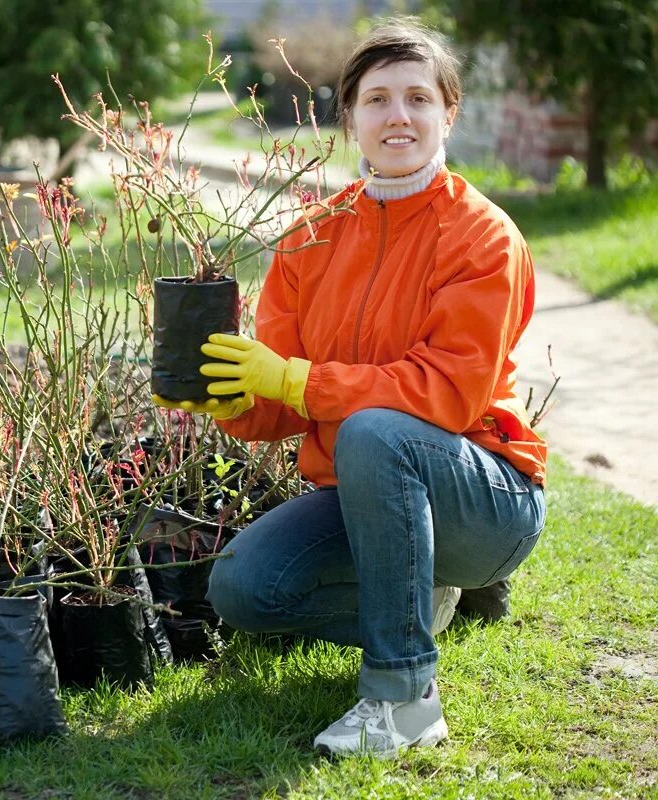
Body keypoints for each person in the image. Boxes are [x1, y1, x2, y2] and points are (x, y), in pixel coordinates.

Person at [154, 18, 547, 757]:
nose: (398, 116)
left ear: (447, 113)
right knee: (244, 590)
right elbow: (279, 394)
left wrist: (299, 381)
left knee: (373, 426)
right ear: (350, 117)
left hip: (486, 499)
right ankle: (421, 601)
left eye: (418, 99)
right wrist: (233, 398)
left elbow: (448, 396)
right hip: (367, 494)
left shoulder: (483, 237)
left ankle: (403, 697)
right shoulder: (311, 235)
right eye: (377, 100)